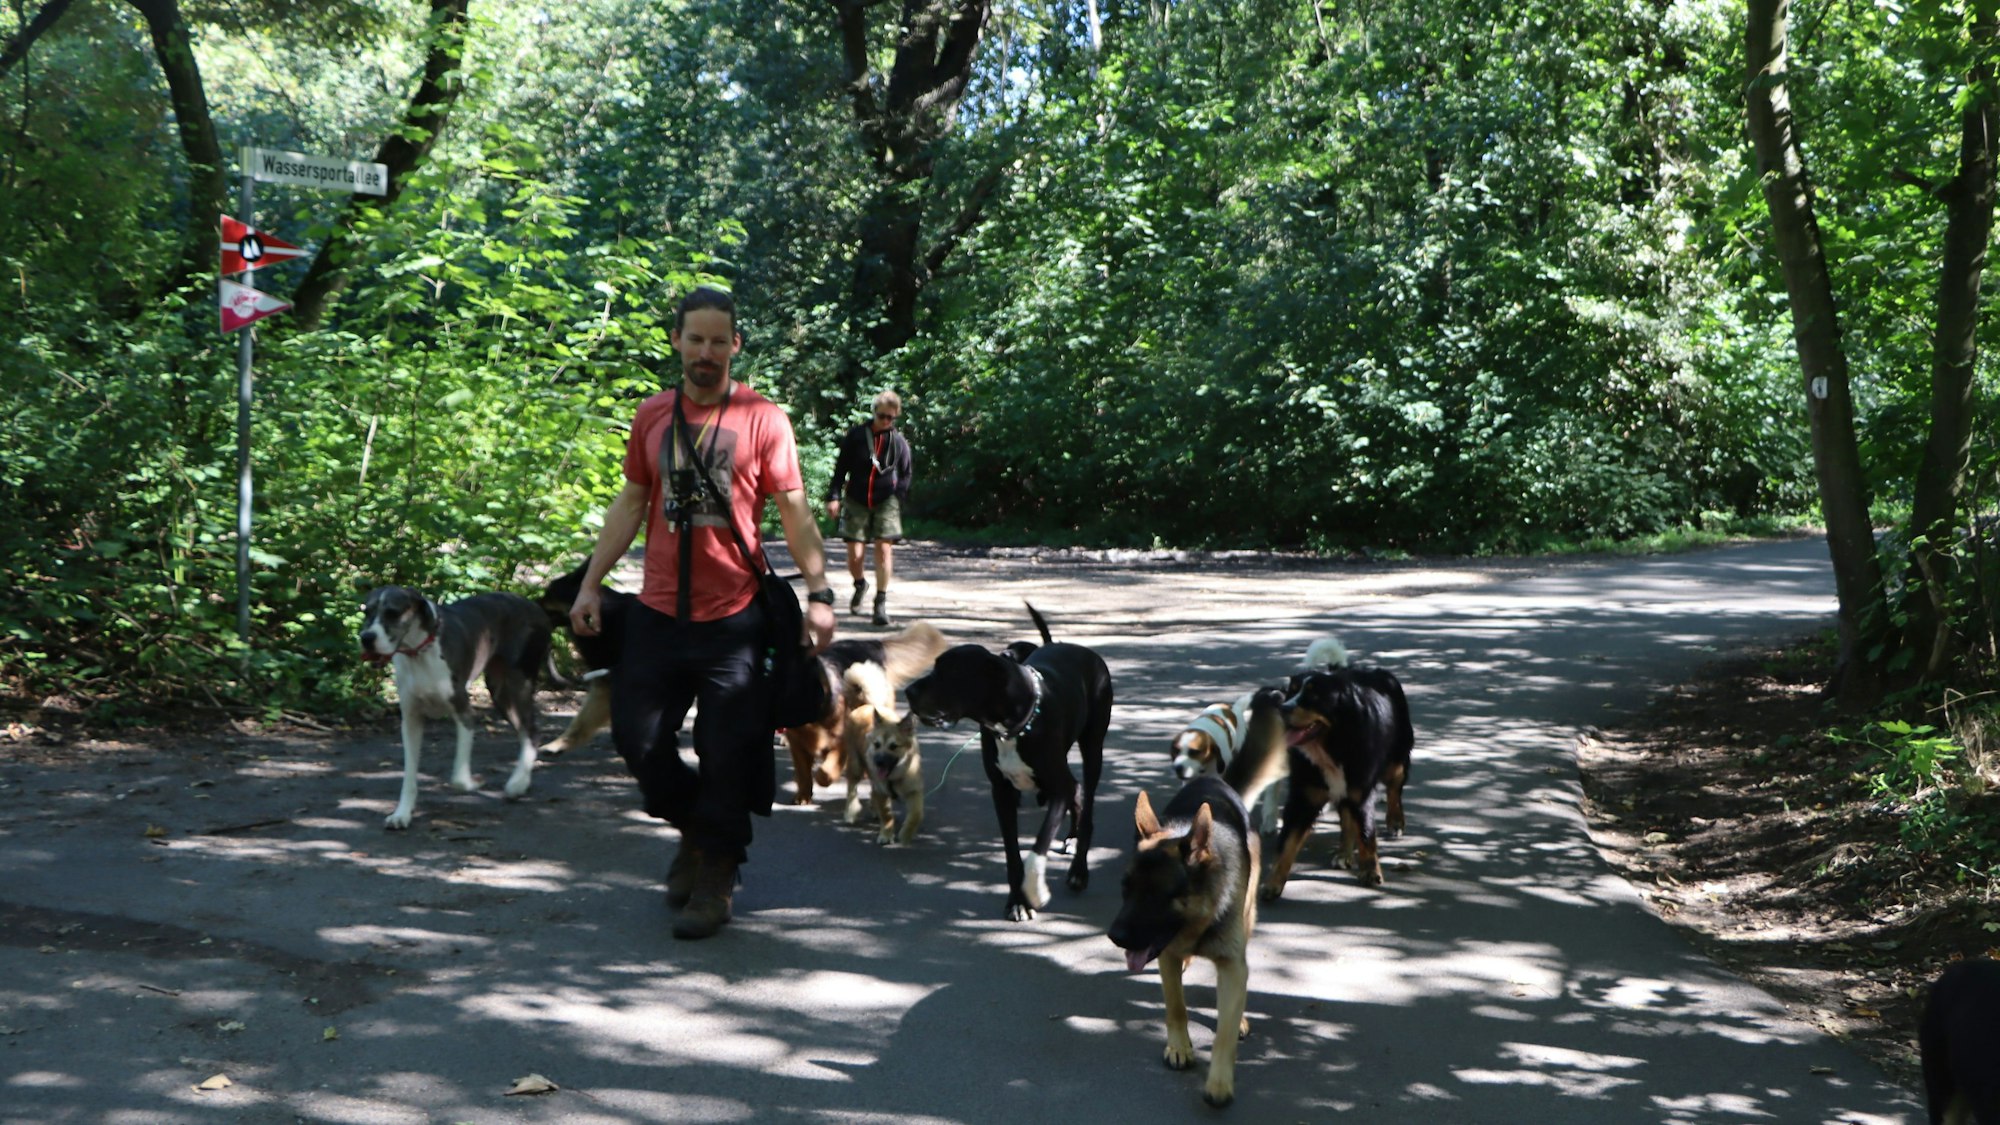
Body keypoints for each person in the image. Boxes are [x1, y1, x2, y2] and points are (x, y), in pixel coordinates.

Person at [567, 287, 837, 941]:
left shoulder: (763, 419)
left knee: (727, 751)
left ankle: (716, 871)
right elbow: (631, 502)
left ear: (735, 345)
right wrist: (590, 585)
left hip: (735, 617)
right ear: (678, 341)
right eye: (696, 339)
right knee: (638, 741)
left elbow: (795, 511)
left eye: (719, 341)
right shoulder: (653, 415)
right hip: (658, 614)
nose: (706, 352)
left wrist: (820, 592)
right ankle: (697, 826)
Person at [824, 390, 913, 626]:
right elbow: (841, 468)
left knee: (884, 550)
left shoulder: (898, 441)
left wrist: (898, 497)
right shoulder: (856, 436)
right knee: (855, 555)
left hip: (886, 500)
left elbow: (906, 473)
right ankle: (860, 583)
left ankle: (880, 601)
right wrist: (834, 496)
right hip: (857, 498)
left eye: (890, 418)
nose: (885, 421)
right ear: (874, 412)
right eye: (882, 416)